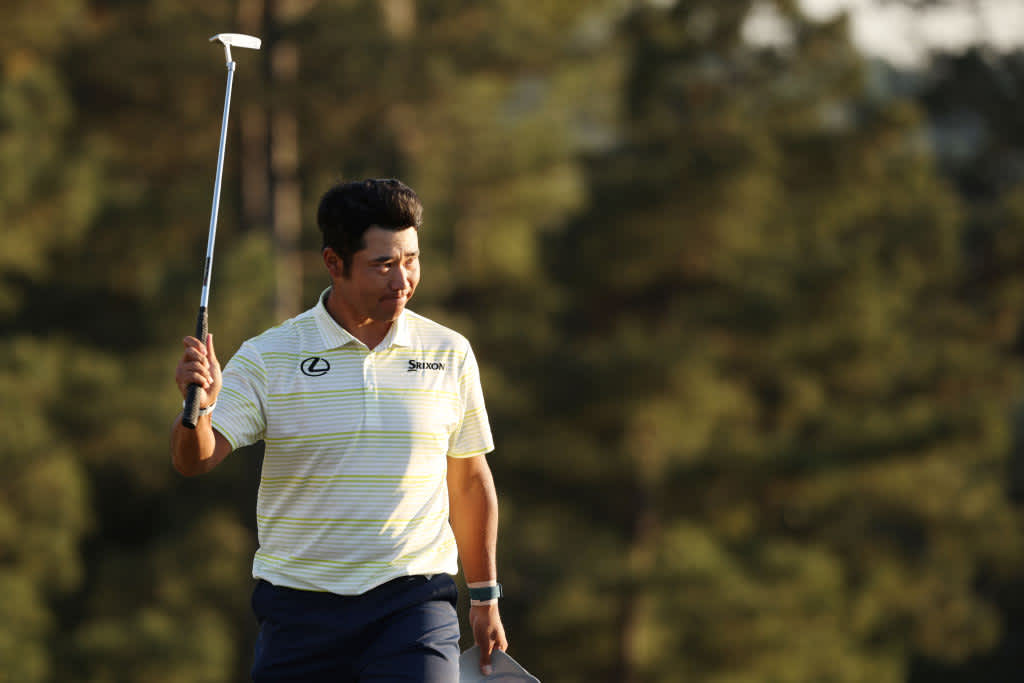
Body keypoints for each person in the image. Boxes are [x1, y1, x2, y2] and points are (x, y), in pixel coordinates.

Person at [171, 178, 508, 681]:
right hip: (299, 610)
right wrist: (199, 406)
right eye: (383, 264)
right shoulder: (269, 356)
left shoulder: (449, 353)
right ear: (334, 263)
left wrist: (484, 597)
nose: (403, 280)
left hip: (412, 602)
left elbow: (468, 481)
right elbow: (194, 459)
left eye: (411, 260)